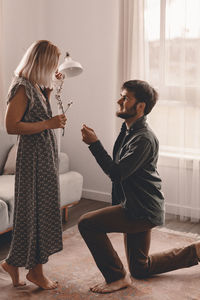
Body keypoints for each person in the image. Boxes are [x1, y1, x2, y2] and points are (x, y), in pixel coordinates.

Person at [79, 79, 200, 294]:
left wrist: (94, 144)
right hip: (139, 205)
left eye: (125, 97)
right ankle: (196, 252)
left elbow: (116, 173)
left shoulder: (143, 138)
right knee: (140, 268)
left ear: (140, 106)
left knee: (86, 223)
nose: (119, 101)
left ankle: (116, 277)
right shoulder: (129, 130)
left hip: (141, 209)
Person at [1, 40, 67, 289]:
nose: (55, 68)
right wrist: (50, 124)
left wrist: (50, 92)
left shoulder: (36, 86)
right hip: (32, 160)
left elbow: (35, 115)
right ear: (41, 62)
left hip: (44, 157)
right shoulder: (21, 86)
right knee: (34, 213)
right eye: (52, 63)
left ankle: (14, 264)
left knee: (38, 212)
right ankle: (35, 272)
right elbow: (12, 126)